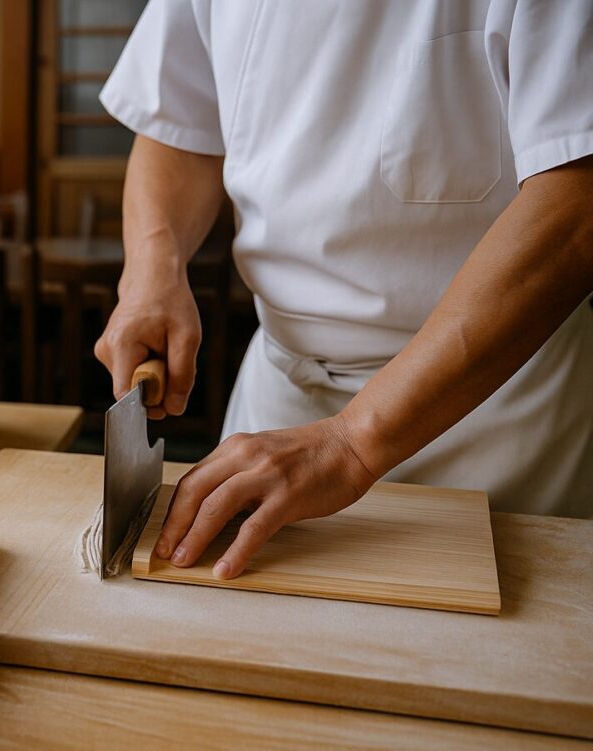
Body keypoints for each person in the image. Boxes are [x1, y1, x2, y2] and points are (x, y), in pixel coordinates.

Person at [95, 0, 593, 580]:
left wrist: (352, 443)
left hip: (496, 416)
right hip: (278, 404)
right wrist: (152, 268)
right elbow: (177, 123)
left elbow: (576, 201)